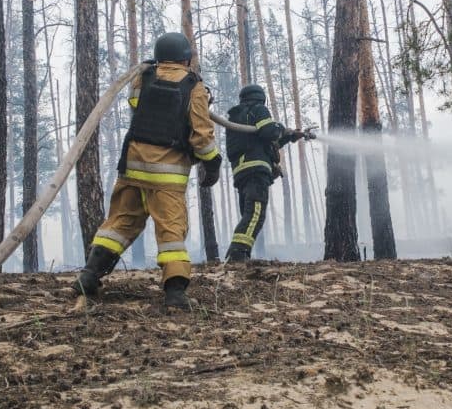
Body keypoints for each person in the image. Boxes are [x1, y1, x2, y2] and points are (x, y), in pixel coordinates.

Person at [73, 32, 222, 310]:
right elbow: (201, 136)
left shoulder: (144, 77)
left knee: (118, 224)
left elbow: (136, 105)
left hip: (132, 166)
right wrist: (212, 163)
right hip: (166, 175)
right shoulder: (194, 86)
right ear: (186, 58)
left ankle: (89, 276)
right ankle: (175, 294)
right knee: (171, 233)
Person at [223, 84, 306, 262]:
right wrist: (281, 128)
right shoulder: (258, 109)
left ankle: (241, 253)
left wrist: (290, 136)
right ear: (261, 98)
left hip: (242, 173)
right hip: (256, 170)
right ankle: (237, 253)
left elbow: (263, 141)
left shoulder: (237, 118)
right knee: (255, 213)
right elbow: (269, 132)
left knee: (249, 213)